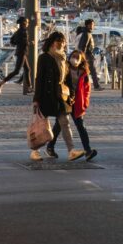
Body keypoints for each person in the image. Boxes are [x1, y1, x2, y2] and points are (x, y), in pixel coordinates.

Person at [32, 30, 85, 163]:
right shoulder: (44, 57)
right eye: (58, 41)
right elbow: (39, 79)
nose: (61, 44)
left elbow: (67, 79)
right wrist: (36, 99)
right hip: (46, 95)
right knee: (41, 125)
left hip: (61, 95)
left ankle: (71, 151)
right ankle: (35, 151)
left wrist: (72, 94)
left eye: (63, 42)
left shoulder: (64, 59)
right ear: (52, 42)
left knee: (65, 123)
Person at [47, 49, 97, 161]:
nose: (74, 59)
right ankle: (50, 147)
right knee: (59, 126)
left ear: (81, 61)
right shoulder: (65, 68)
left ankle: (88, 150)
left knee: (81, 126)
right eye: (73, 56)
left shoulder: (84, 73)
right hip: (65, 100)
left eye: (77, 58)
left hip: (77, 103)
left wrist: (85, 103)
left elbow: (87, 90)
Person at [0, 17, 32, 93]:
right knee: (17, 71)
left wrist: (19, 43)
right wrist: (31, 43)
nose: (28, 24)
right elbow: (25, 42)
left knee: (27, 69)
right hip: (22, 53)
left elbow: (12, 41)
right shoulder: (24, 31)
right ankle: (1, 83)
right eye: (27, 22)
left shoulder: (18, 31)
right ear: (24, 23)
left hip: (20, 52)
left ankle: (30, 87)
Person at [77, 18, 101, 90]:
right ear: (87, 25)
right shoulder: (87, 34)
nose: (93, 26)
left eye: (93, 25)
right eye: (91, 24)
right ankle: (96, 86)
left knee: (87, 71)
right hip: (87, 56)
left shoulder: (87, 33)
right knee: (92, 71)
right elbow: (83, 46)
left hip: (87, 55)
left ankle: (84, 85)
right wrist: (83, 57)